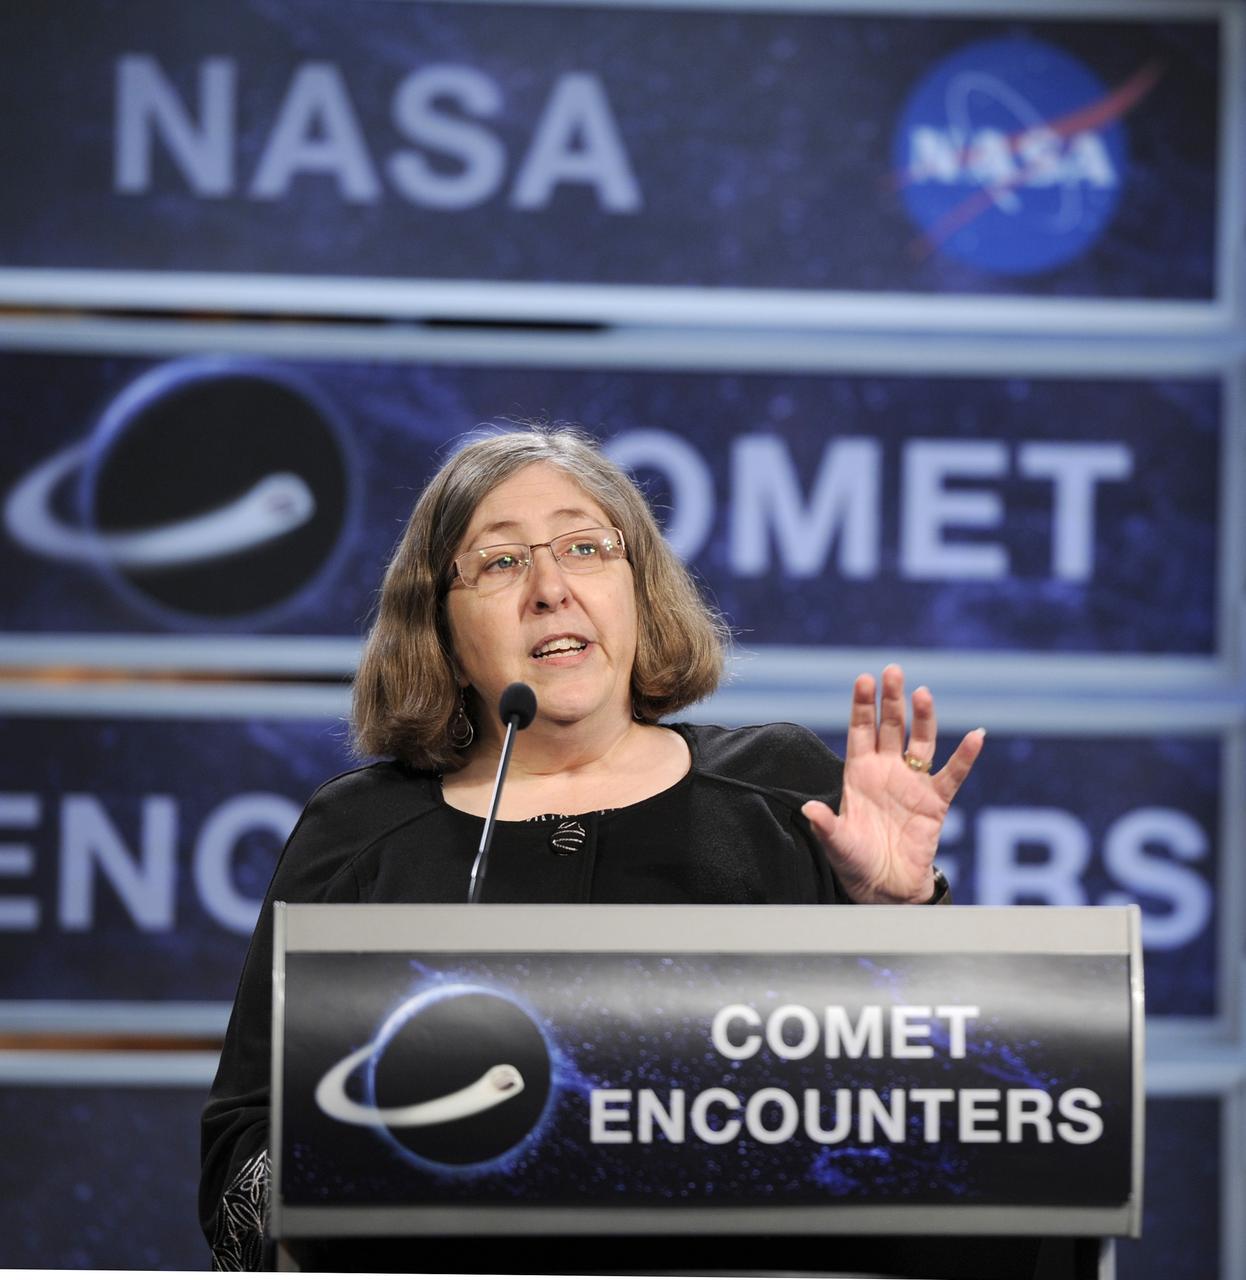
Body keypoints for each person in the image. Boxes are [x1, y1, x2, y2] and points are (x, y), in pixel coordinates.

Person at [199, 425, 984, 1270]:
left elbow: (954, 1118)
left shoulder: (785, 795)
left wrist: (906, 920)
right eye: (500, 562)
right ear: (441, 631)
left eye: (584, 547)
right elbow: (238, 1174)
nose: (550, 589)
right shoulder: (360, 835)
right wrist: (365, 1139)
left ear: (640, 592)